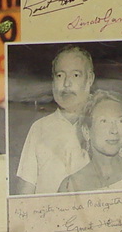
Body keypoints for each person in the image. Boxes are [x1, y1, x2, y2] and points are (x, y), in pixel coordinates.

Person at [14, 46, 95, 194]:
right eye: (60, 75)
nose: (67, 83)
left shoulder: (108, 122)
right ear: (52, 82)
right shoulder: (39, 128)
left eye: (75, 75)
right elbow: (24, 192)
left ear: (90, 79)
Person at [59, 89, 122, 192]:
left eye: (120, 121)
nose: (114, 130)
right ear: (86, 131)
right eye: (104, 121)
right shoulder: (70, 186)